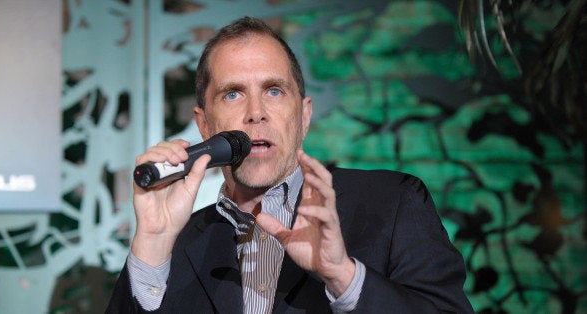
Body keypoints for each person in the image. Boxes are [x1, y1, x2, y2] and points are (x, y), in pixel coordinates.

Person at [107, 16, 473, 313]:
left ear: (304, 116)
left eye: (274, 91)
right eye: (232, 94)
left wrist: (344, 278)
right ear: (204, 125)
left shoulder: (393, 204)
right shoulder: (176, 245)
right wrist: (152, 245)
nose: (255, 113)